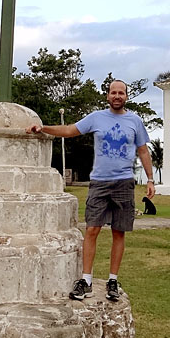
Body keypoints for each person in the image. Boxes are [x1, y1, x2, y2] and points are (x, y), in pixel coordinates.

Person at [26, 79, 154, 303]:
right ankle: (86, 280)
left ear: (126, 96)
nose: (117, 96)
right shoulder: (96, 117)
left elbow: (143, 151)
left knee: (119, 231)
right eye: (113, 92)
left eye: (121, 93)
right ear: (107, 96)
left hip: (124, 182)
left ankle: (113, 280)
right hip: (100, 182)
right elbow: (69, 130)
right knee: (92, 229)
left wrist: (151, 179)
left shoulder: (135, 121)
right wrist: (43, 129)